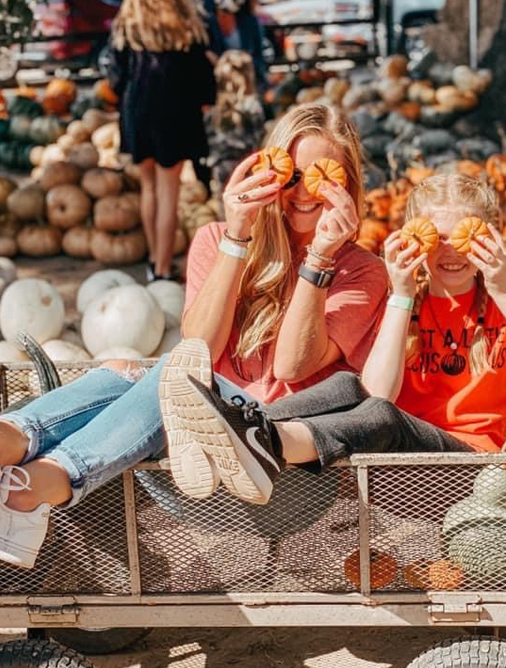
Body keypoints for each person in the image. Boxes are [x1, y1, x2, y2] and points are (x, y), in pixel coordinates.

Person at [0, 103, 387, 568]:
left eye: (324, 177)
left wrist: (320, 258)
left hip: (271, 457)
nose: (304, 192)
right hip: (186, 447)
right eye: (293, 175)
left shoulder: (363, 272)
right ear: (267, 171)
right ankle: (24, 474)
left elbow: (291, 367)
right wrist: (239, 237)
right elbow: (200, 344)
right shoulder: (216, 238)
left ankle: (34, 474)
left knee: (172, 374)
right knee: (149, 373)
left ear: (350, 185)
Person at [162, 173, 506, 505]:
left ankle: (264, 441)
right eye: (437, 236)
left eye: (465, 236)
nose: (450, 250)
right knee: (345, 385)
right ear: (413, 237)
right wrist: (403, 295)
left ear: (491, 238)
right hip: (389, 471)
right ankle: (237, 429)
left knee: (382, 416)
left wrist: (504, 290)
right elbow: (376, 389)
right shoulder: (404, 302)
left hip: (472, 477)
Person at [108, 0, 216, 281]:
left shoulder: (129, 20)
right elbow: (202, 75)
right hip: (174, 113)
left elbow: (116, 77)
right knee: (169, 192)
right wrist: (205, 102)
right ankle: (163, 270)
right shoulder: (185, 20)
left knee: (149, 188)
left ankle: (155, 259)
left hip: (138, 111)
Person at [205, 49, 266, 210]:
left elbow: (209, 140)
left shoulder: (214, 110)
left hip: (220, 166)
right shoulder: (252, 106)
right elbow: (258, 137)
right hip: (246, 166)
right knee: (248, 208)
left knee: (225, 207)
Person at [215, 0, 268, 92]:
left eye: (225, 16)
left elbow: (259, 57)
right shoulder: (213, 29)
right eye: (219, 16)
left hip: (249, 77)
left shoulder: (250, 23)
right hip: (223, 80)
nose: (221, 20)